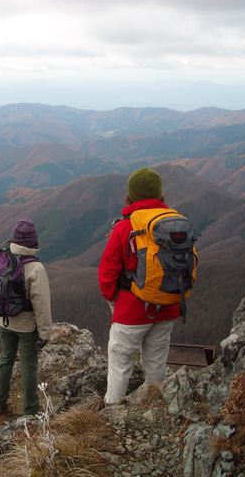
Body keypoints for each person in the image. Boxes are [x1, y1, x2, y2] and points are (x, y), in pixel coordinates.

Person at [98, 167, 180, 404]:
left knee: (121, 364)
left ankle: (113, 413)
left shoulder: (125, 227)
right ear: (159, 194)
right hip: (168, 306)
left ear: (131, 195)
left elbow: (107, 273)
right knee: (156, 363)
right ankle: (152, 408)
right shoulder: (175, 223)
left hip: (131, 311)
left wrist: (114, 302)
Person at [0, 218, 53, 416]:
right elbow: (41, 305)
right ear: (34, 241)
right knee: (28, 365)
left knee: (5, 359)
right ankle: (31, 409)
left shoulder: (2, 259)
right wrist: (45, 333)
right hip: (25, 326)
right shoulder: (36, 268)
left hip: (3, 320)